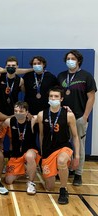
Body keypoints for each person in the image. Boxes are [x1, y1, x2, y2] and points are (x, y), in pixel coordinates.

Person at [57, 50, 97, 186]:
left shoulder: (86, 76)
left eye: (72, 58)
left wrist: (85, 116)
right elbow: (58, 96)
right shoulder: (62, 76)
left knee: (79, 145)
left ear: (78, 60)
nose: (70, 60)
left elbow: (91, 97)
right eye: (68, 58)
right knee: (64, 144)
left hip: (79, 116)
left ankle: (78, 174)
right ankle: (67, 169)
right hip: (64, 117)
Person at [37, 86, 80, 204]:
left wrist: (77, 156)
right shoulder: (42, 115)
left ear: (61, 99)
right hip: (48, 150)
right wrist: (42, 155)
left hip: (63, 146)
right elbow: (41, 135)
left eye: (56, 96)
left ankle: (63, 189)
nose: (53, 98)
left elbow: (75, 137)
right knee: (49, 187)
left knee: (61, 161)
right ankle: (57, 171)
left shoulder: (69, 115)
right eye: (51, 96)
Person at [4, 101, 40, 195]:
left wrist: (66, 109)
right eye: (16, 111)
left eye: (21, 111)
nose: (18, 113)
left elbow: (47, 115)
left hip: (30, 150)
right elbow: (0, 126)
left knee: (29, 156)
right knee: (8, 180)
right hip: (16, 154)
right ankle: (24, 170)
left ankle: (31, 183)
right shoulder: (10, 121)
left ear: (27, 112)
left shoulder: (33, 120)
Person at [0, 56, 24, 152]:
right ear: (5, 67)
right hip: (0, 112)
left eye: (13, 65)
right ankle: (0, 161)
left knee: (13, 140)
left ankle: (12, 161)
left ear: (17, 67)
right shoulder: (0, 76)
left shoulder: (20, 80)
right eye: (9, 65)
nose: (11, 67)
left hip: (13, 114)